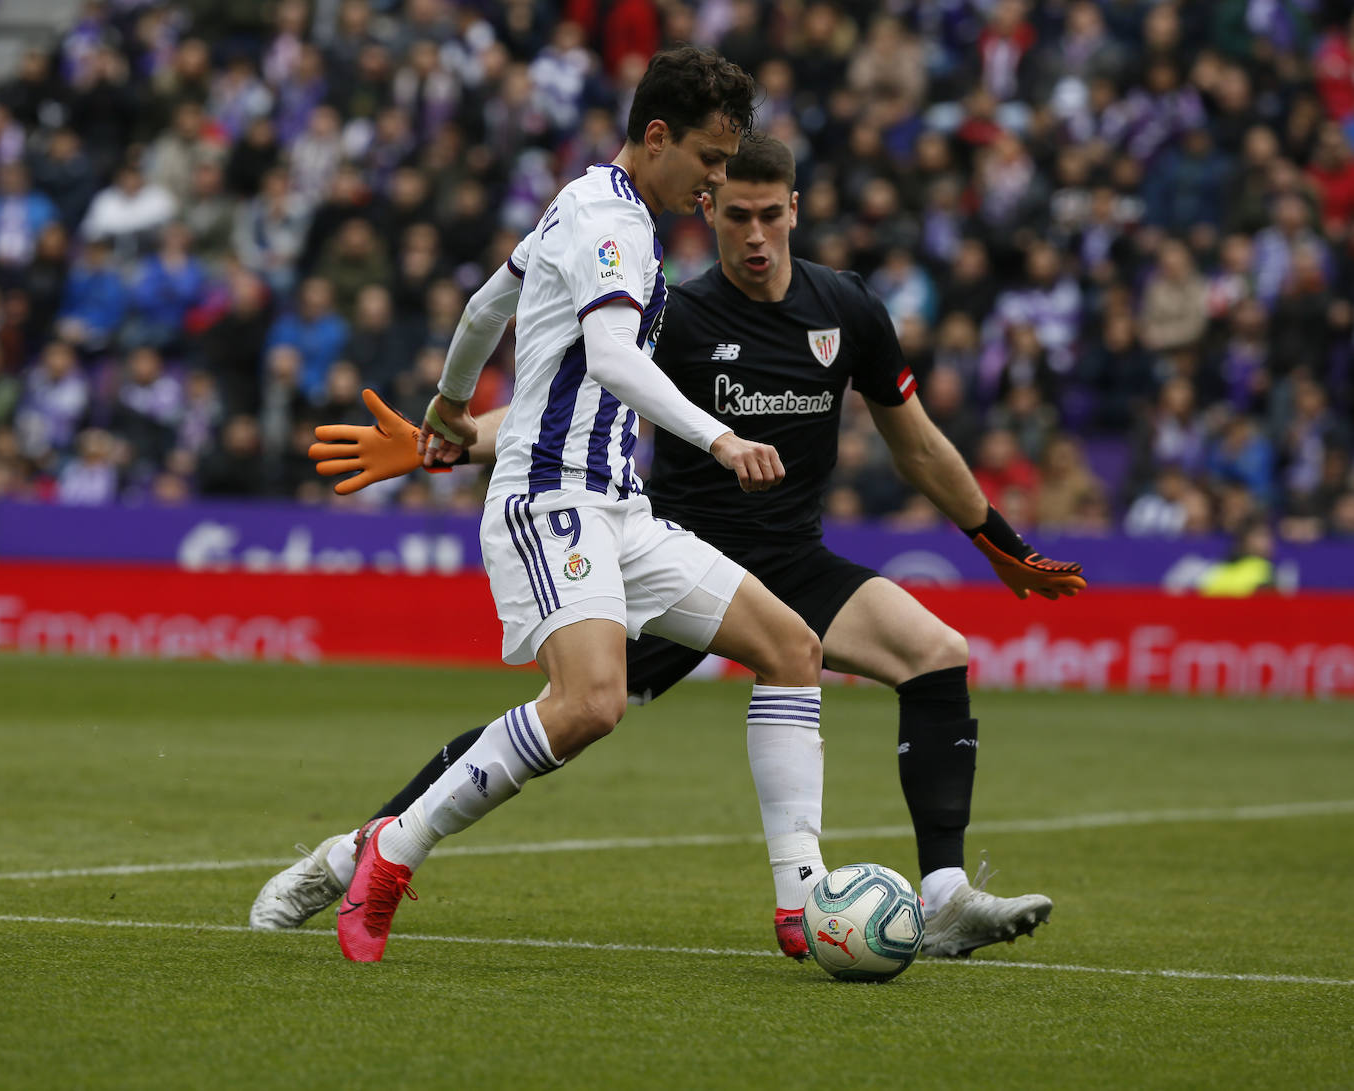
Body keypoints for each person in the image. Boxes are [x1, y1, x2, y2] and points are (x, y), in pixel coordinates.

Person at [253, 135, 1087, 960]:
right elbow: (577, 390)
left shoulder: (849, 309)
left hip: (792, 560)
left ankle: (941, 898)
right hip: (677, 548)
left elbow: (917, 444)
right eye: (736, 218)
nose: (754, 236)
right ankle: (350, 851)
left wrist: (994, 538)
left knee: (936, 652)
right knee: (574, 713)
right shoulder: (678, 314)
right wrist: (451, 440)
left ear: (795, 210)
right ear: (709, 213)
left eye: (769, 216)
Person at [309, 47, 833, 964]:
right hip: (551, 498)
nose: (716, 183)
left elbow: (482, 306)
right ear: (658, 136)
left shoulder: (587, 201)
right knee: (590, 701)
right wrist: (719, 437)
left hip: (617, 507)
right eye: (709, 162)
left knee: (791, 648)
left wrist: (446, 406)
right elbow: (614, 358)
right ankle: (392, 850)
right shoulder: (611, 222)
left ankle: (802, 903)